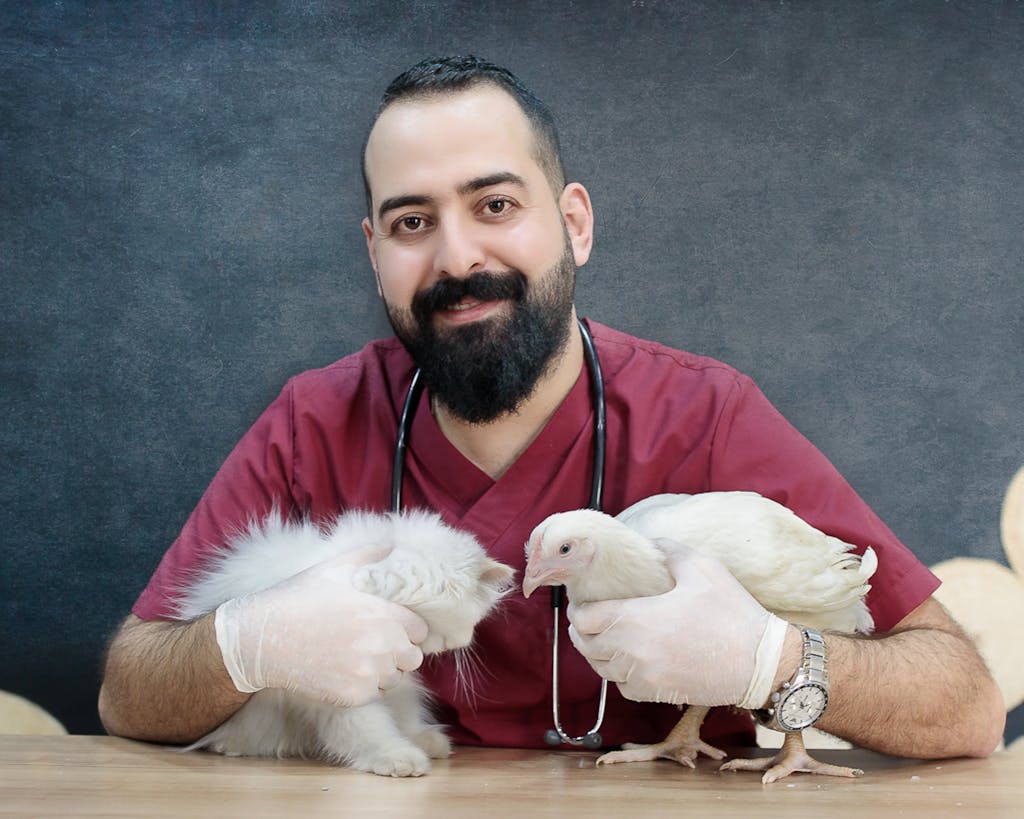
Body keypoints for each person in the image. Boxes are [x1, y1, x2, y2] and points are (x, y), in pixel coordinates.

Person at [98, 55, 1004, 759]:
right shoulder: (313, 422)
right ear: (374, 254)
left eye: (495, 203)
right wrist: (247, 643)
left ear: (574, 222)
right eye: (412, 222)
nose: (457, 257)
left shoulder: (708, 415)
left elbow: (964, 704)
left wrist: (772, 659)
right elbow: (128, 693)